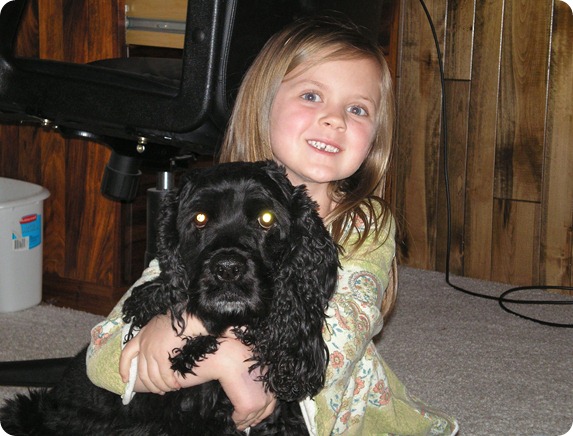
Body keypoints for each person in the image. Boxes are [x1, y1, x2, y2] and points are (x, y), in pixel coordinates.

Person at [86, 15, 458, 435]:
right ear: (264, 106)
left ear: (375, 137)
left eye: (357, 109)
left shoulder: (364, 224)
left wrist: (217, 350)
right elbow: (102, 358)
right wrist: (178, 326)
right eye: (312, 96)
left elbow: (335, 346)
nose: (335, 119)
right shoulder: (205, 208)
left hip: (335, 419)